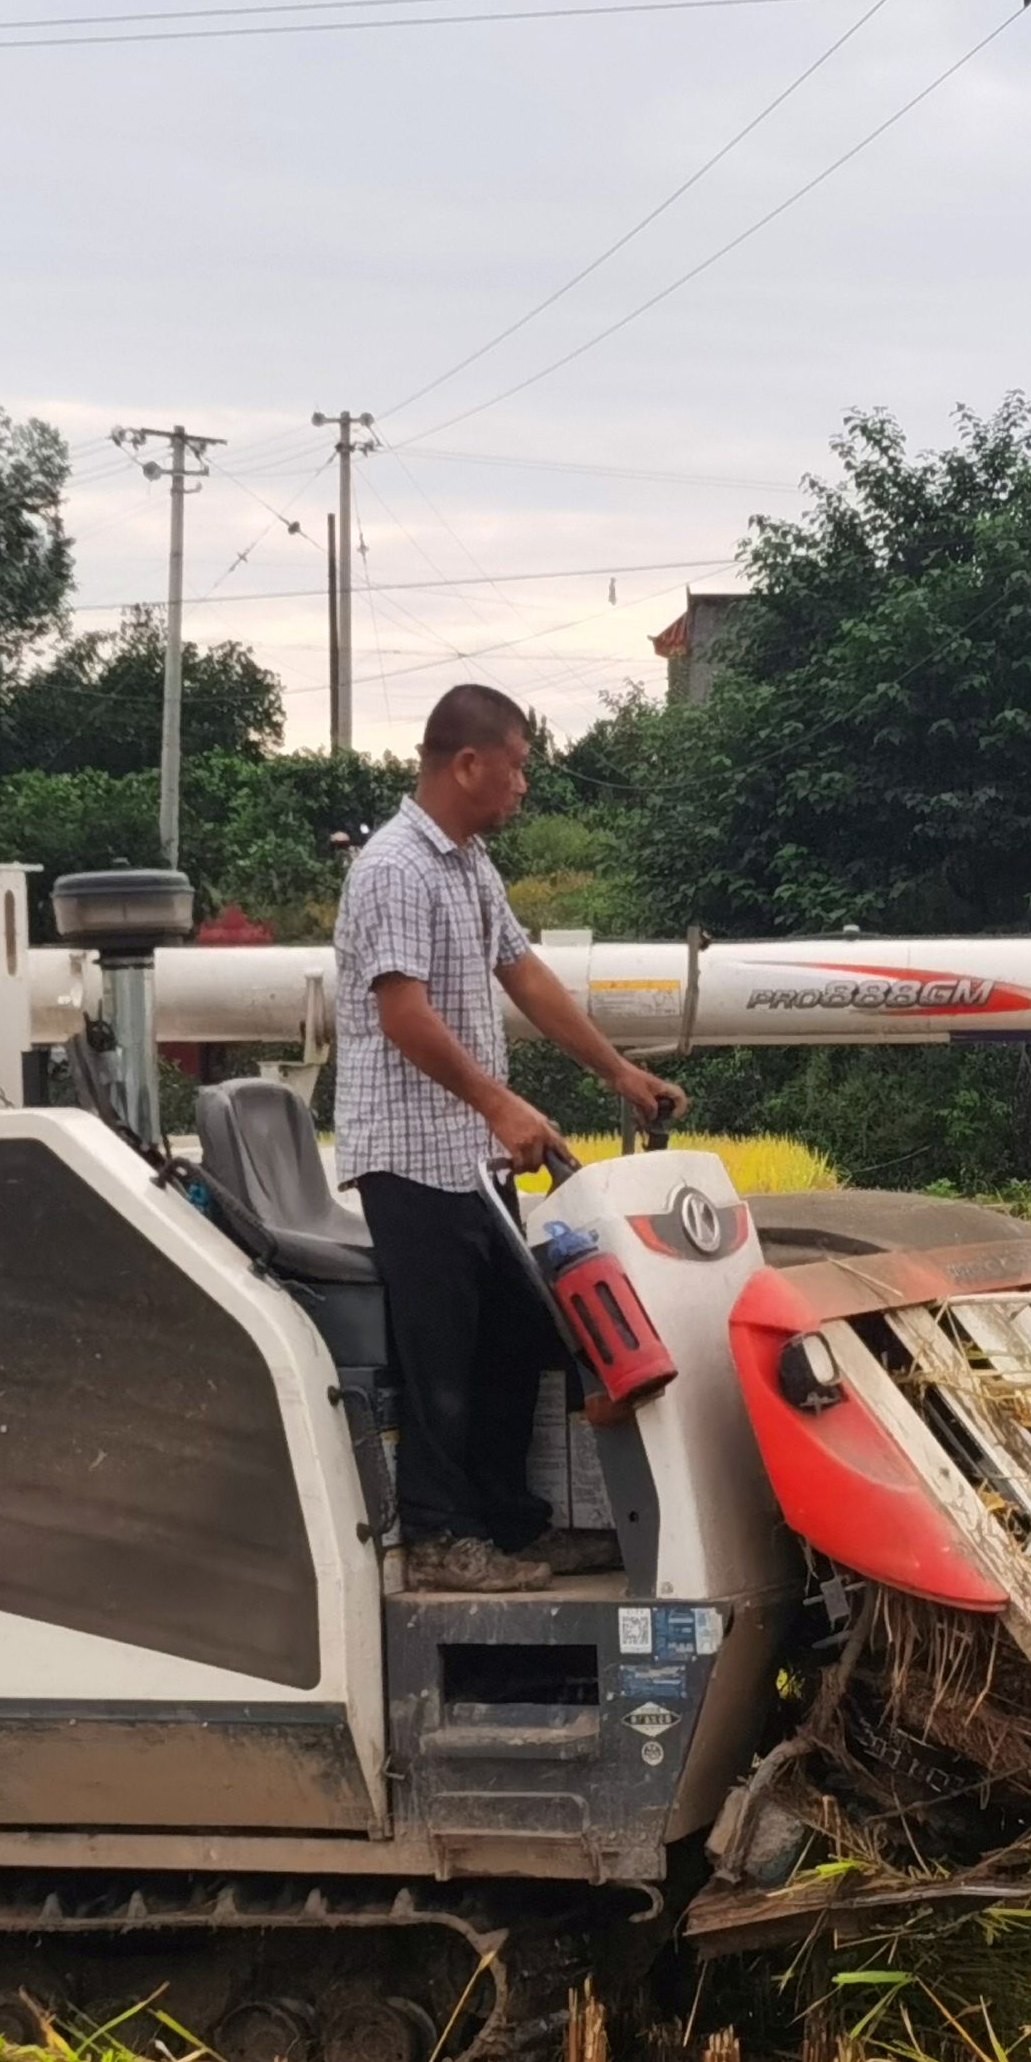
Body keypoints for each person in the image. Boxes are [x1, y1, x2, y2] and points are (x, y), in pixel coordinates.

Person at [335, 682, 686, 1594]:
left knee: (517, 1333)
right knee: (442, 1351)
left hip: (467, 1156)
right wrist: (499, 1104)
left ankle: (507, 1524)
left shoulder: (468, 865)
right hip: (409, 1151)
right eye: (519, 766)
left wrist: (619, 1073)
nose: (525, 786)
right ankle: (444, 1535)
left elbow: (525, 975)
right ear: (467, 764)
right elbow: (404, 1015)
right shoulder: (394, 869)